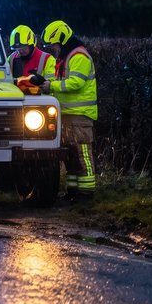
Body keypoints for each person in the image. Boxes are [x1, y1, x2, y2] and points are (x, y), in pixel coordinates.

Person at [29, 20, 98, 199]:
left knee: (82, 154)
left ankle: (87, 192)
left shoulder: (79, 57)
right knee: (70, 157)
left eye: (53, 44)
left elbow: (76, 83)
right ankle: (73, 191)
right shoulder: (66, 57)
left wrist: (51, 86)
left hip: (80, 116)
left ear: (61, 39)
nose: (52, 48)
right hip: (67, 115)